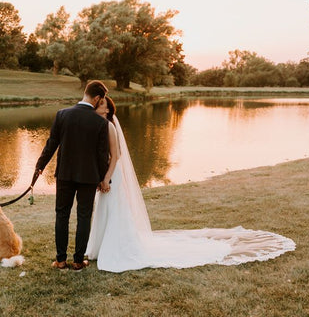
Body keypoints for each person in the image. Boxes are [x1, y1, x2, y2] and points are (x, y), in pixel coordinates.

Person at [86, 96, 296, 273]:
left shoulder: (109, 126)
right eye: (100, 103)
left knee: (115, 210)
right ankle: (100, 246)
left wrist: (106, 178)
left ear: (106, 109)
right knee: (105, 209)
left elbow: (117, 156)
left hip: (112, 176)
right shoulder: (98, 126)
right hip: (105, 175)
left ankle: (118, 247)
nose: (100, 106)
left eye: (103, 104)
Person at [36, 80, 110, 271]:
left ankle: (60, 260)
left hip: (65, 174)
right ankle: (78, 261)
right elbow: (102, 156)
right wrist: (103, 178)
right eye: (100, 100)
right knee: (84, 216)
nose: (100, 103)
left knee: (62, 214)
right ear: (96, 98)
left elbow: (51, 144)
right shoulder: (100, 122)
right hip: (89, 176)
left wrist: (40, 166)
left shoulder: (62, 115)